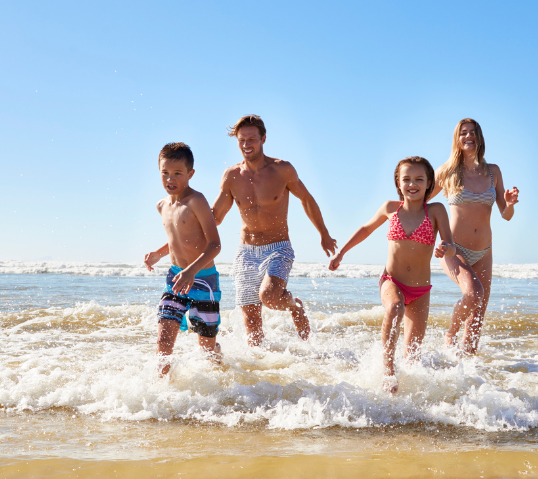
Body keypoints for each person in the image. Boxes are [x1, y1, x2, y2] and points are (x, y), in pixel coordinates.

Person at [329, 157, 456, 394]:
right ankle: (387, 371)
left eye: (419, 179)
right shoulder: (390, 208)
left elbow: (451, 245)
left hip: (420, 291)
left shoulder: (436, 210)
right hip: (391, 281)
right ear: (398, 182)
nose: (412, 184)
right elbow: (366, 229)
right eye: (406, 179)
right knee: (395, 308)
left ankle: (405, 403)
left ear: (429, 183)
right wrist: (341, 253)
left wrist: (445, 248)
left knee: (413, 355)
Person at [212, 115, 338, 346]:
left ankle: (294, 306)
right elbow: (215, 216)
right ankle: (261, 370)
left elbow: (307, 200)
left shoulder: (282, 169)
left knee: (269, 297)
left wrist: (324, 234)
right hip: (246, 252)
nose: (246, 144)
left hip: (278, 248)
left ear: (263, 139)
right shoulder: (231, 176)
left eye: (252, 139)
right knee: (251, 320)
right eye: (242, 140)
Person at [427, 118, 519, 355]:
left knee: (477, 319)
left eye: (472, 133)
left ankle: (469, 376)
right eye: (463, 133)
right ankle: (450, 333)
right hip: (453, 248)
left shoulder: (493, 172)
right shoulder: (447, 172)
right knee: (473, 294)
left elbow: (506, 215)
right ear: (457, 139)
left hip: (484, 251)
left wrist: (509, 204)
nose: (468, 137)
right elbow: (419, 200)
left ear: (479, 137)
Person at [143, 142, 223, 377]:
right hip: (176, 278)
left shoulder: (197, 201)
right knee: (164, 339)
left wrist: (191, 270)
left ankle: (218, 373)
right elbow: (178, 238)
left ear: (190, 174)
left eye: (177, 173)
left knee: (206, 349)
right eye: (165, 172)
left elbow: (215, 245)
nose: (170, 178)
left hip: (204, 281)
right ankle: (161, 391)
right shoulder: (162, 205)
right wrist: (159, 253)